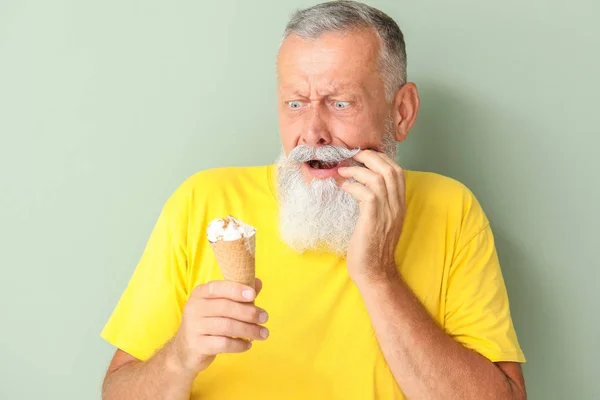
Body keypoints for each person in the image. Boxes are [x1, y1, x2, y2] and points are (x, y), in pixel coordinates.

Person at [100, 1, 526, 399]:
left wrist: (379, 275)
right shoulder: (204, 201)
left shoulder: (450, 208)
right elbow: (116, 391)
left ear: (401, 112)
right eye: (295, 103)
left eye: (341, 103)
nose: (312, 132)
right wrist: (179, 357)